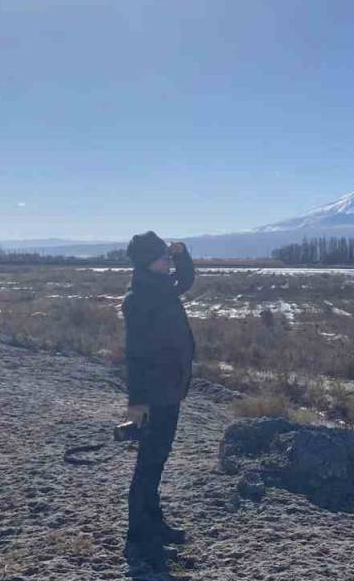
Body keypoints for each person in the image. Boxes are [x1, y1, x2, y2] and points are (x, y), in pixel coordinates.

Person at [122, 231, 195, 565]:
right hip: (153, 394)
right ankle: (139, 538)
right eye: (163, 256)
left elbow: (186, 280)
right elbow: (134, 355)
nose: (168, 260)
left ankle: (154, 524)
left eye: (167, 256)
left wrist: (182, 255)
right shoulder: (139, 300)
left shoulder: (161, 287)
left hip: (170, 390)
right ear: (147, 262)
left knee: (157, 461)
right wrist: (137, 402)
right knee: (148, 466)